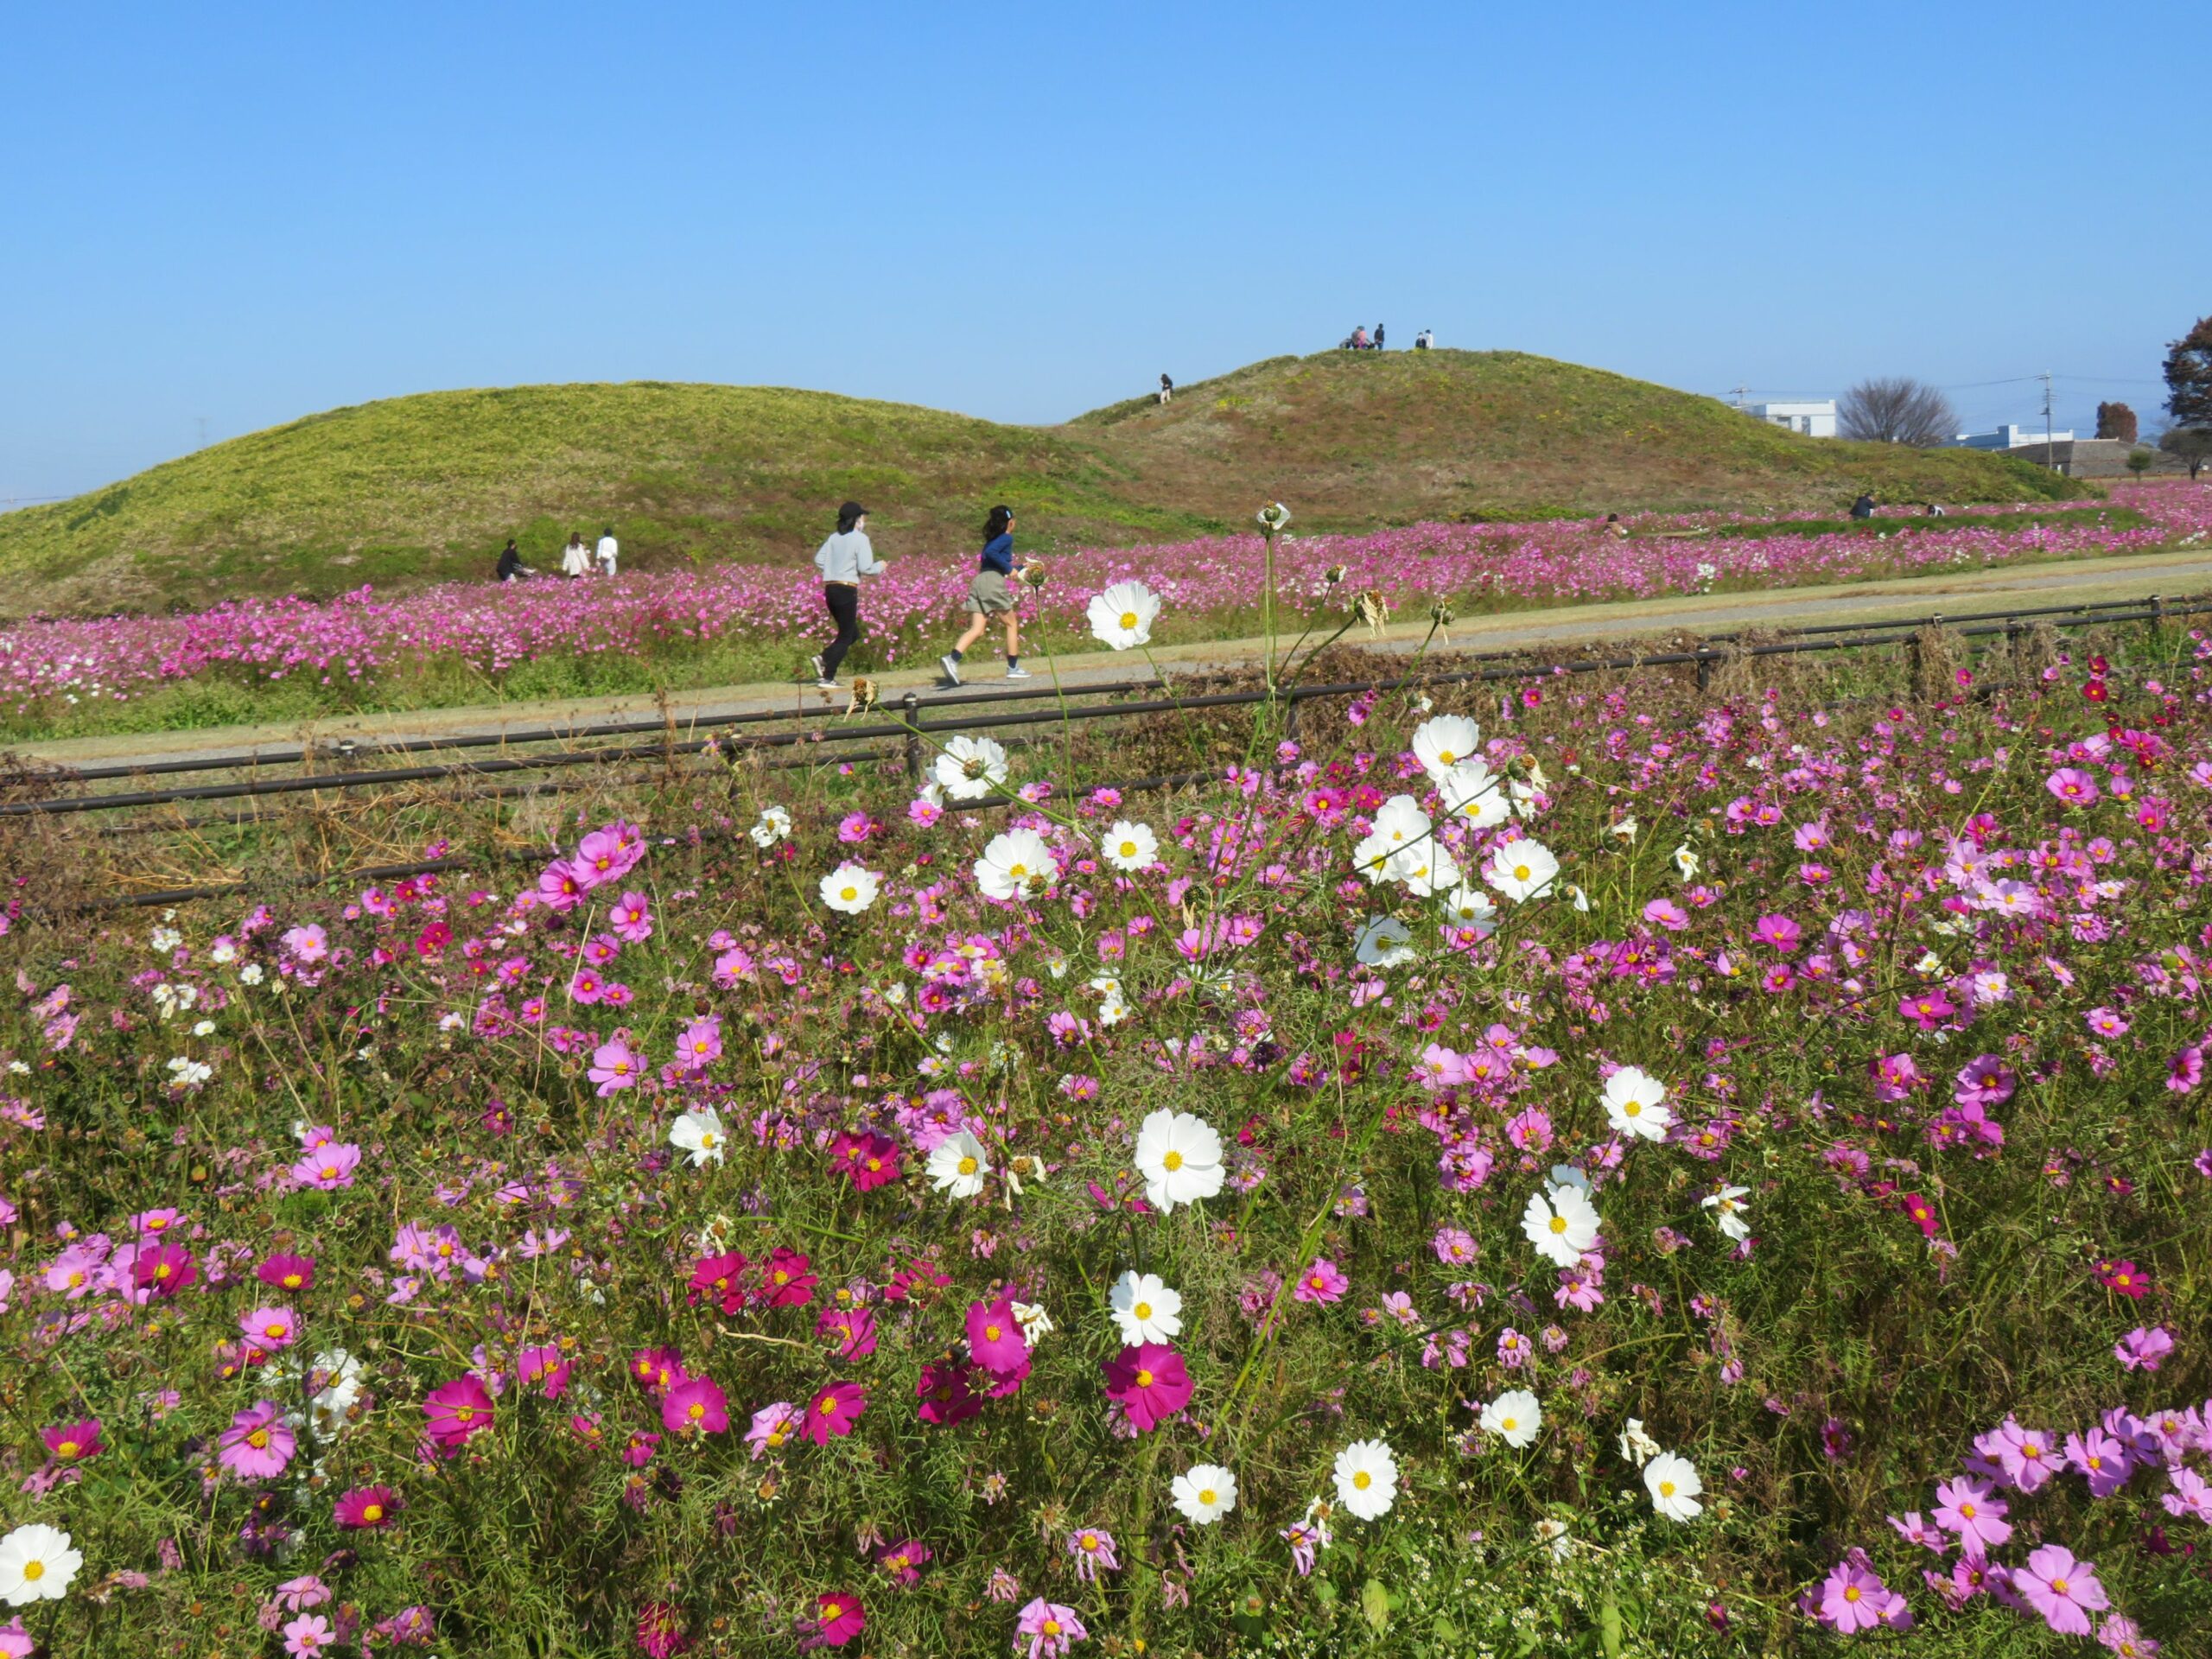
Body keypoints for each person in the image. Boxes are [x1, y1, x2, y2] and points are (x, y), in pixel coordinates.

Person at [941, 505, 1032, 684]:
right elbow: (993, 557)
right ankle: (1013, 668)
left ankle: (952, 659)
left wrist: (1019, 568)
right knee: (1011, 623)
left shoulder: (993, 540)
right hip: (992, 582)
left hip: (980, 581)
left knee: (978, 629)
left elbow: (991, 559)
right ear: (1010, 522)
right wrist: (1008, 568)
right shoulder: (1006, 538)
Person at [810, 500, 885, 689]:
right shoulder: (860, 539)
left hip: (830, 588)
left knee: (852, 633)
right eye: (862, 517)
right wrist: (880, 567)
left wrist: (833, 569)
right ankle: (828, 676)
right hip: (846, 588)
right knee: (846, 635)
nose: (864, 520)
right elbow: (865, 567)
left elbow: (819, 559)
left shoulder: (834, 538)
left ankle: (825, 657)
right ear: (856, 520)